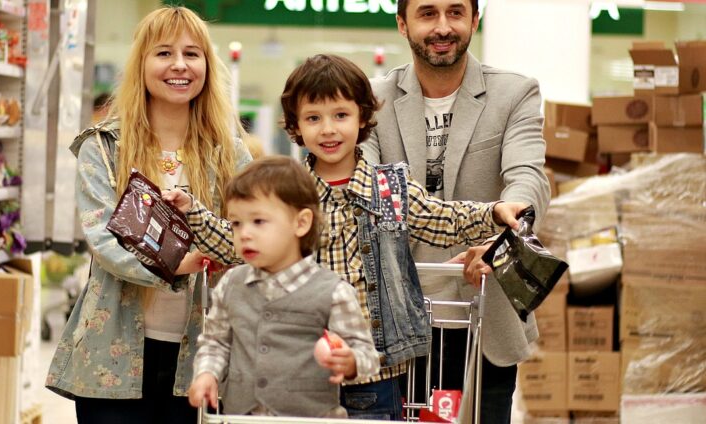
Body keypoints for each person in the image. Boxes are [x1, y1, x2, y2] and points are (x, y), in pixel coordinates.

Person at [165, 54, 529, 420]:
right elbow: (238, 241)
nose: (328, 130)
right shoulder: (291, 193)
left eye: (340, 115)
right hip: (300, 375)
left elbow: (443, 218)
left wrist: (494, 212)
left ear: (363, 119)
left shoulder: (389, 188)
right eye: (313, 118)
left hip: (377, 371)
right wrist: (194, 213)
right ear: (295, 126)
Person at [45, 7, 252, 424]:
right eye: (163, 53)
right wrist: (179, 263)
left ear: (207, 67)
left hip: (203, 355)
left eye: (192, 53)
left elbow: (256, 228)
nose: (179, 65)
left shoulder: (229, 151)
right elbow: (103, 240)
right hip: (112, 353)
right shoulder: (102, 148)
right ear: (141, 63)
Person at [360, 0, 551, 422]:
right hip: (396, 316)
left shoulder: (515, 93)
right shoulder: (371, 100)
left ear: (474, 20)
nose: (443, 27)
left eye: (455, 12)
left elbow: (527, 177)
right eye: (427, 13)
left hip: (485, 308)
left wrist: (502, 238)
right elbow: (369, 189)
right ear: (402, 24)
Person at [187, 156, 380, 418]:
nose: (244, 233)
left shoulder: (333, 291)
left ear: (301, 223)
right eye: (236, 223)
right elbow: (216, 343)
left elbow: (367, 354)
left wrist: (352, 362)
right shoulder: (230, 285)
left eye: (258, 221)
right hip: (242, 418)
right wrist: (207, 373)